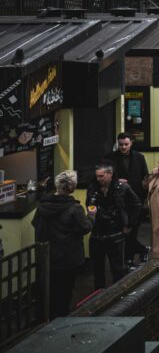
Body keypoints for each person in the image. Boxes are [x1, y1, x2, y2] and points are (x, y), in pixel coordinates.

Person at [33, 170, 92, 318]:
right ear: (72, 187)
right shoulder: (74, 208)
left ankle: (45, 318)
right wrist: (92, 216)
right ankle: (60, 319)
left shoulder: (43, 206)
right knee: (65, 291)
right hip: (68, 257)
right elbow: (84, 228)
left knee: (48, 289)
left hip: (47, 255)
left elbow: (35, 224)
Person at [87, 163, 141, 289]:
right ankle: (98, 296)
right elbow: (89, 204)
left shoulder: (122, 187)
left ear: (110, 174)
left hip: (115, 233)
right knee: (97, 269)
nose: (98, 179)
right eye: (97, 176)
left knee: (117, 268)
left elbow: (136, 204)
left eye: (101, 176)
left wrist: (130, 224)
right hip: (97, 234)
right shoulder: (93, 187)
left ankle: (118, 294)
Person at [104, 133, 148, 265]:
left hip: (135, 200)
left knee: (132, 231)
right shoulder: (109, 158)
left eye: (126, 144)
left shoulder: (139, 157)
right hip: (117, 200)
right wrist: (116, 181)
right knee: (123, 232)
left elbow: (144, 178)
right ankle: (138, 252)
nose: (123, 147)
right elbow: (102, 177)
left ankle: (129, 258)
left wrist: (143, 198)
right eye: (121, 144)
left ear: (131, 143)